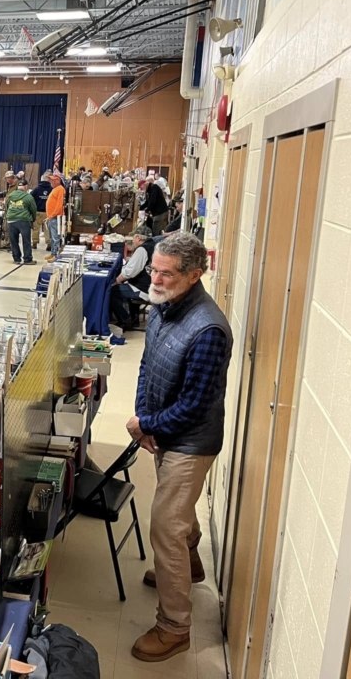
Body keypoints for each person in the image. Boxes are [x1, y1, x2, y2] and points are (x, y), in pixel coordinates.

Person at [126, 232, 231, 663]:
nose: (155, 279)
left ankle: (174, 628)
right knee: (177, 511)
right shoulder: (162, 306)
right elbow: (147, 365)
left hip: (190, 441)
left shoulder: (208, 330)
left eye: (166, 274)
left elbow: (194, 406)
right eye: (154, 270)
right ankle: (190, 563)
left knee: (166, 527)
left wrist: (148, 424)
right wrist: (143, 417)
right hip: (163, 431)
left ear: (193, 275)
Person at [109, 225, 154, 329]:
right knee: (123, 286)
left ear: (138, 238)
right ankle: (134, 320)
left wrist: (116, 281)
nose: (133, 240)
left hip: (142, 289)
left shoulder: (142, 250)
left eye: (133, 237)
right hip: (150, 286)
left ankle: (125, 320)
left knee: (111, 291)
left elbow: (130, 272)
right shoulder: (153, 245)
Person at [5, 180, 38, 265]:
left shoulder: (10, 196)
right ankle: (27, 259)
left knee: (13, 241)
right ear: (26, 187)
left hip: (11, 220)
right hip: (23, 220)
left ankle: (16, 259)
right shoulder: (28, 197)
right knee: (26, 240)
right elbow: (33, 209)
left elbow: (7, 207)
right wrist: (33, 219)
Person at [44, 173, 66, 262]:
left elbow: (59, 205)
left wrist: (52, 215)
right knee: (52, 237)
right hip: (52, 217)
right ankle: (53, 253)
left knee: (55, 237)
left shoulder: (60, 189)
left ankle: (55, 255)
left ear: (58, 180)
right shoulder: (56, 189)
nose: (51, 181)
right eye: (50, 180)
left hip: (55, 217)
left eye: (53, 180)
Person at [29, 172, 53, 250]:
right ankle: (49, 243)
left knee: (36, 228)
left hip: (38, 211)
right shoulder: (52, 189)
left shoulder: (37, 188)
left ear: (41, 179)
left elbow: (30, 197)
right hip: (48, 212)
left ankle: (34, 243)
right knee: (47, 229)